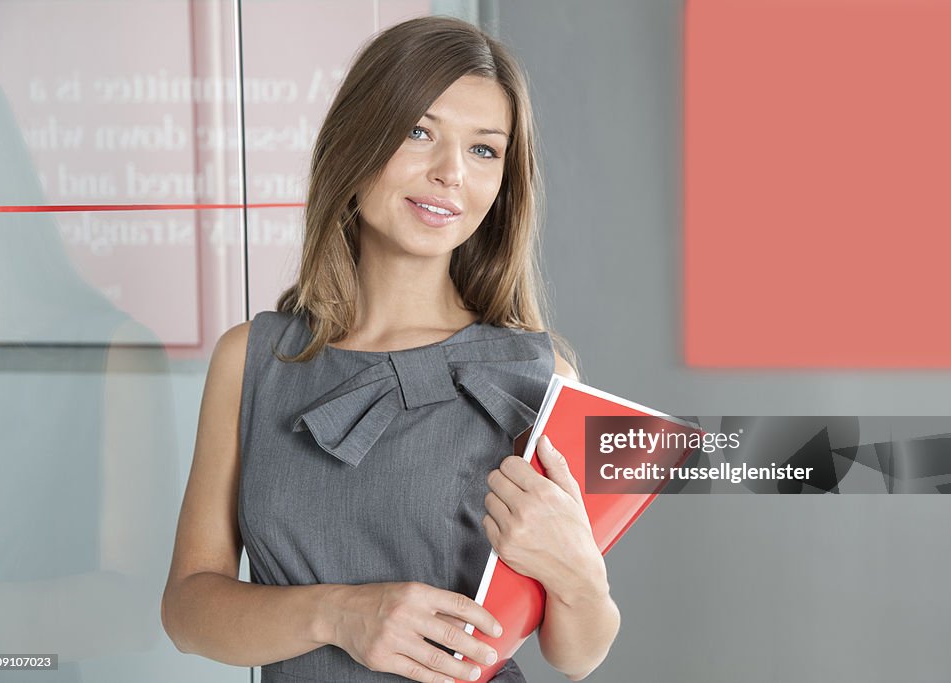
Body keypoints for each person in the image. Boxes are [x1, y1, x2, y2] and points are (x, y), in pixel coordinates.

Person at [161, 16, 620, 683]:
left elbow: (578, 654)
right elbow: (186, 610)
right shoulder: (252, 360)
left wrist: (579, 575)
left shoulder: (538, 378)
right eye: (418, 132)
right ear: (357, 141)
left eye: (484, 150)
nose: (450, 174)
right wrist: (339, 614)